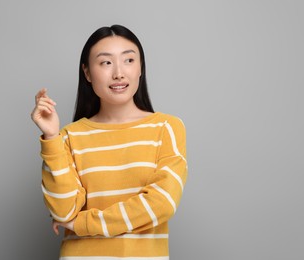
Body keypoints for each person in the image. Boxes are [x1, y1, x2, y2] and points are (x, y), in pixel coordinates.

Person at [31, 24, 188, 259]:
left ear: (141, 68)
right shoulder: (69, 136)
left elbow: (162, 203)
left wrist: (83, 224)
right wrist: (52, 137)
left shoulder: (166, 128)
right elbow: (63, 212)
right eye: (105, 62)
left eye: (129, 60)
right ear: (87, 73)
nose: (118, 73)